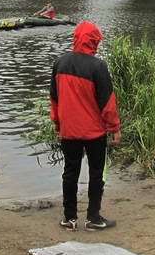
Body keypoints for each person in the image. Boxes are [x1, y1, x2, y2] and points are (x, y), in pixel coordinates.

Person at [50, 21, 121, 231]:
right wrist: (115, 128)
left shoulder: (59, 63)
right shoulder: (98, 66)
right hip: (94, 132)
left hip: (69, 131)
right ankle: (93, 218)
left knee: (70, 172)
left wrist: (57, 124)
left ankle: (69, 219)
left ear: (76, 38)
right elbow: (107, 104)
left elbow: (54, 99)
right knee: (96, 173)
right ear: (94, 42)